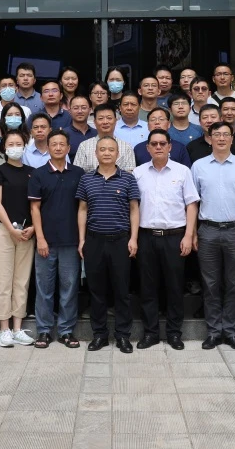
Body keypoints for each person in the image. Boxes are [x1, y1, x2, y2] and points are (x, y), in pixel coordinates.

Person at [191, 122, 235, 350]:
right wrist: (193, 233)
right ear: (209, 138)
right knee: (210, 284)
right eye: (216, 134)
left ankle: (230, 331)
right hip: (207, 230)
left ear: (232, 139)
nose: (221, 138)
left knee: (233, 283)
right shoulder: (198, 166)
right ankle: (213, 332)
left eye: (225, 134)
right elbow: (192, 202)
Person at [133, 129, 199, 350]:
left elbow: (191, 205)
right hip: (146, 236)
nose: (159, 147)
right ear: (148, 148)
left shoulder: (182, 171)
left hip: (175, 237)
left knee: (174, 287)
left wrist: (189, 235)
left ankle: (174, 333)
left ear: (170, 146)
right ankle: (150, 333)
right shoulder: (138, 173)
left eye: (163, 143)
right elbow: (133, 207)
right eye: (154, 144)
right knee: (147, 288)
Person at [77, 136, 141, 353]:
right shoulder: (86, 179)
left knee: (122, 290)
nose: (106, 153)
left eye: (111, 150)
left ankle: (123, 336)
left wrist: (133, 238)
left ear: (117, 154)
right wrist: (82, 239)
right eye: (102, 149)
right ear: (96, 153)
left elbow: (134, 209)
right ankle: (100, 335)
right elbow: (82, 209)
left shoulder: (128, 179)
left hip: (120, 241)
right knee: (96, 290)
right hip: (94, 240)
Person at [29, 130, 85, 348]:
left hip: (71, 240)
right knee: (44, 287)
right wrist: (40, 238)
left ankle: (66, 330)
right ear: (48, 148)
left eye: (62, 144)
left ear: (68, 148)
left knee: (69, 287)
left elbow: (83, 208)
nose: (58, 147)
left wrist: (82, 239)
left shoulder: (79, 173)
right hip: (46, 241)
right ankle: (43, 330)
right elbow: (35, 208)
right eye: (54, 144)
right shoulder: (38, 174)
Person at [0, 130, 36, 347]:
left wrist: (33, 227)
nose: (15, 147)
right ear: (4, 147)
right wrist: (10, 229)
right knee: (3, 281)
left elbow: (36, 204)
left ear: (25, 146)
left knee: (21, 280)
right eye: (11, 144)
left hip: (27, 232)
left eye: (19, 143)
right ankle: (4, 329)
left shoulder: (32, 172)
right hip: (3, 230)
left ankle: (17, 328)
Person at [73, 104, 137, 173]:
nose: (105, 122)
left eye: (109, 118)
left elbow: (129, 175)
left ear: (115, 121)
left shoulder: (126, 147)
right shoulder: (84, 146)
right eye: (101, 118)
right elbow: (77, 173)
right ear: (94, 122)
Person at [66, 94, 97, 159]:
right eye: (76, 108)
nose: (80, 111)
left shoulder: (97, 134)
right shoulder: (63, 134)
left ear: (90, 110)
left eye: (84, 108)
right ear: (70, 111)